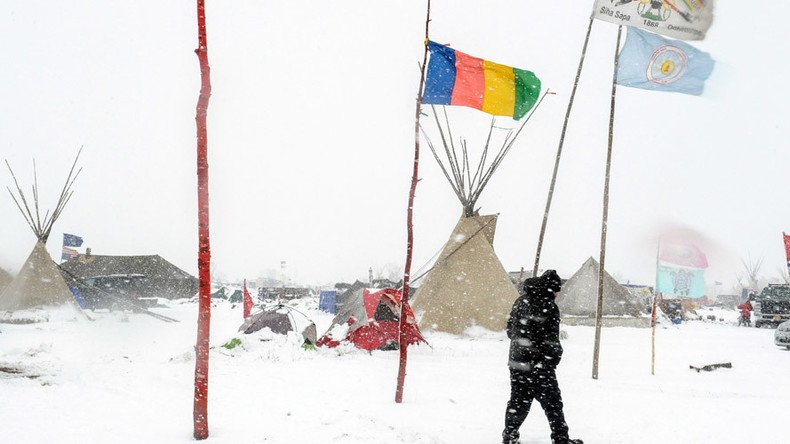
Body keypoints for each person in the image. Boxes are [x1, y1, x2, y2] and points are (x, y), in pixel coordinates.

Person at [503, 270, 582, 444]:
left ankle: (510, 436)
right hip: (539, 364)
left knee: (518, 401)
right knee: (553, 402)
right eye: (556, 291)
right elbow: (551, 339)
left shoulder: (520, 301)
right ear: (551, 289)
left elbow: (510, 330)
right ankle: (561, 438)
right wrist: (553, 358)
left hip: (517, 362)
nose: (557, 294)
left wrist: (522, 346)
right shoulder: (548, 306)